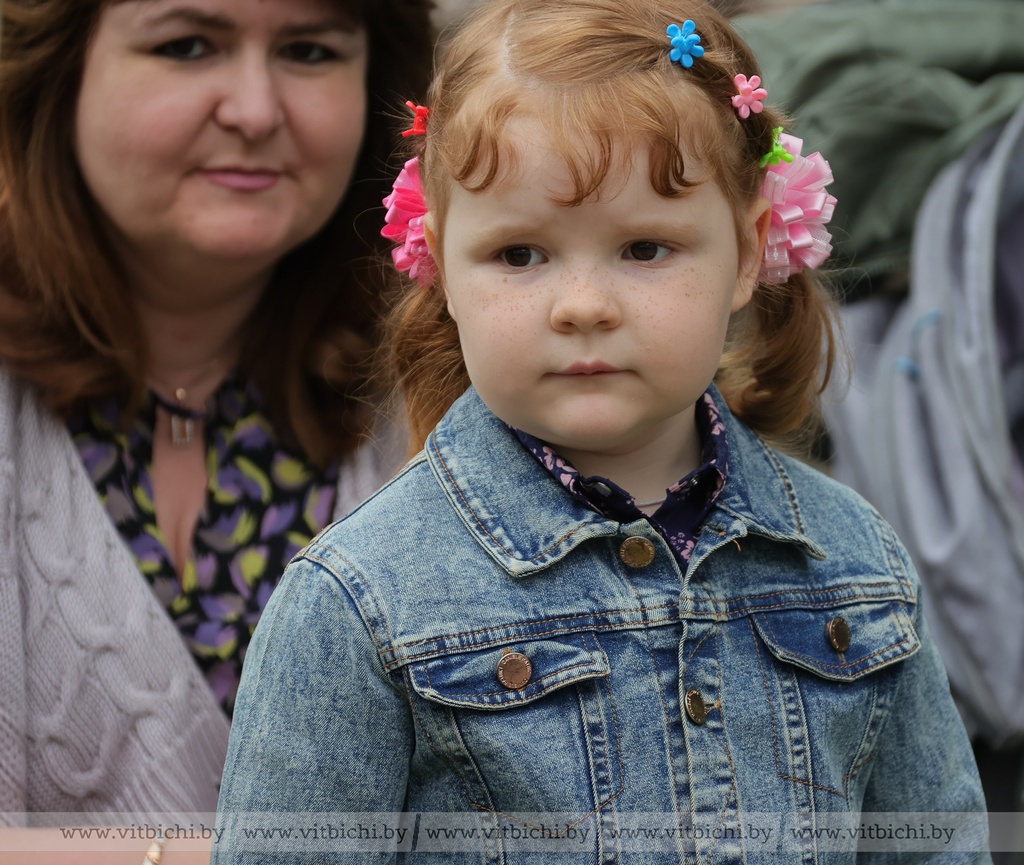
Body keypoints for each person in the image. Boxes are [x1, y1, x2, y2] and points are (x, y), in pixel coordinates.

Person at [213, 0, 991, 862]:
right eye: (519, 255)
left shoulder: (856, 563)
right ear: (439, 265)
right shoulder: (358, 605)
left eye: (645, 248)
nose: (583, 305)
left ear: (746, 250)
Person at [0, 0, 433, 854]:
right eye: (188, 45)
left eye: (309, 50)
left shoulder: (451, 390)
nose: (255, 109)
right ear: (59, 72)